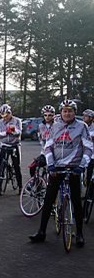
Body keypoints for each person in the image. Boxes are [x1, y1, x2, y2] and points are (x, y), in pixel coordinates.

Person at [29, 99, 92, 247]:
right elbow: (48, 147)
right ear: (61, 113)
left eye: (70, 111)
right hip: (57, 168)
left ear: (74, 113)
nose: (67, 113)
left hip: (74, 168)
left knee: (76, 201)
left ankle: (80, 235)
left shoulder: (81, 126)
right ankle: (41, 232)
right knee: (48, 200)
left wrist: (82, 165)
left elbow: (89, 147)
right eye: (64, 111)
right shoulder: (55, 126)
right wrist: (50, 164)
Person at [0, 104, 22, 195]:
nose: (5, 118)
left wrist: (13, 131)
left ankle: (20, 187)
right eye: (3, 116)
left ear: (10, 113)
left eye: (6, 115)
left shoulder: (17, 120)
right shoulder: (0, 122)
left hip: (15, 145)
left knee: (17, 166)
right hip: (4, 145)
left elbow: (19, 133)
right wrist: (5, 132)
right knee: (1, 166)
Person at [29, 105, 55, 177]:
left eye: (50, 115)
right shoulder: (41, 126)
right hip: (44, 152)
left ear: (53, 116)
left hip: (56, 152)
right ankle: (35, 182)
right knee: (33, 166)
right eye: (45, 115)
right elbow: (40, 138)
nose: (47, 117)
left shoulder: (57, 125)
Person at [82, 109, 94, 186]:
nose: (84, 117)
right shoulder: (81, 127)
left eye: (86, 116)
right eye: (83, 115)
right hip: (82, 154)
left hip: (92, 156)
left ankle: (89, 194)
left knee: (89, 175)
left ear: (91, 118)